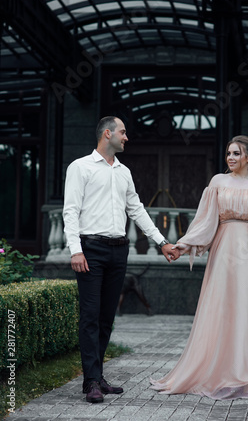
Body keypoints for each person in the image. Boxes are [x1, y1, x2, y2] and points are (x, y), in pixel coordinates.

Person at [150, 135, 248, 402]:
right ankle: (220, 371)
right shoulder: (217, 182)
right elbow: (204, 222)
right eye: (228, 153)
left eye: (236, 154)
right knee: (222, 308)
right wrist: (184, 244)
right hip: (224, 252)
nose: (231, 158)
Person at [63, 116, 178, 403]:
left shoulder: (124, 172)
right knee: (90, 316)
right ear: (107, 133)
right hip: (90, 250)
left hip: (118, 251)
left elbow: (137, 210)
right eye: (123, 132)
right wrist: (75, 250)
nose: (126, 137)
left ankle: (97, 376)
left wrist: (161, 242)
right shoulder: (80, 167)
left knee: (105, 318)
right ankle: (91, 382)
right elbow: (70, 211)